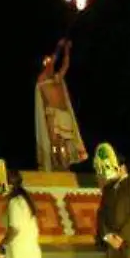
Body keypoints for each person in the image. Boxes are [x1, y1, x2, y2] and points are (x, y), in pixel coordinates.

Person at [34, 39, 88, 171]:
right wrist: (58, 46)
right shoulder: (42, 79)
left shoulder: (57, 78)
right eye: (47, 62)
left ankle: (65, 165)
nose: (50, 64)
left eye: (50, 62)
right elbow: (54, 59)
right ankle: (56, 164)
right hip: (52, 114)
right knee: (55, 143)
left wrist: (67, 49)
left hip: (64, 114)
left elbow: (66, 64)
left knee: (64, 143)